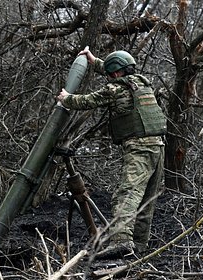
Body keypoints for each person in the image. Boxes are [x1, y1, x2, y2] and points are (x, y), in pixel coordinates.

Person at [57, 47, 166, 258]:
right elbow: (115, 72)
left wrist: (67, 97)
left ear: (116, 74)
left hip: (139, 149)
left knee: (126, 195)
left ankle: (122, 242)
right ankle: (140, 246)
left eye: (110, 73)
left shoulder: (115, 89)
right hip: (158, 146)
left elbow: (87, 101)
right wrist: (94, 61)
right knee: (146, 199)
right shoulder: (143, 83)